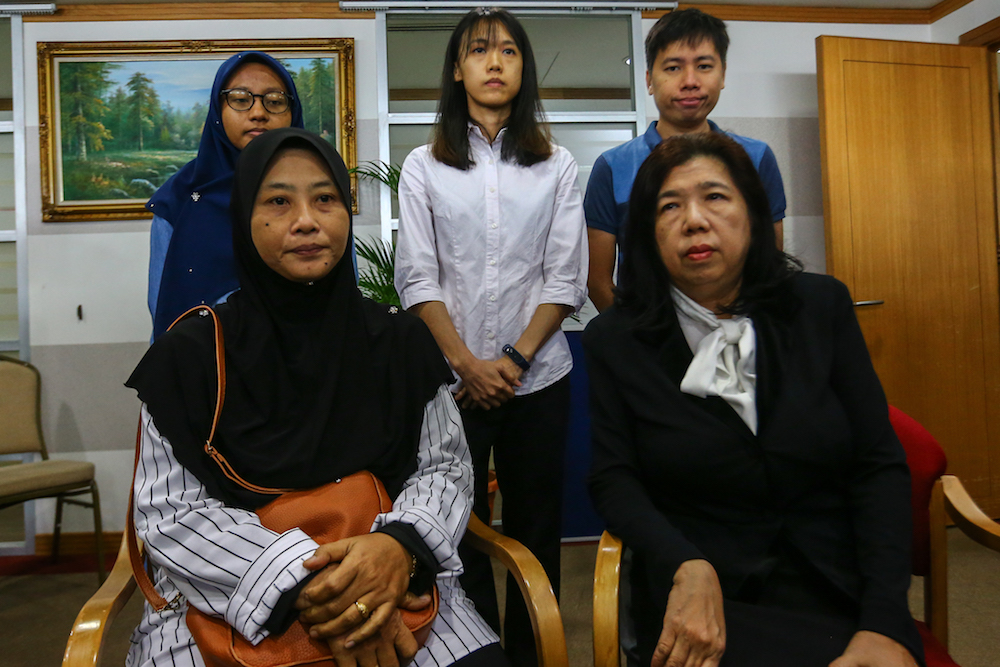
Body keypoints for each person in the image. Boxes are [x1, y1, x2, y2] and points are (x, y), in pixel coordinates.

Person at [126, 127, 508, 667]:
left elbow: (443, 468)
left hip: (396, 584)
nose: (306, 220)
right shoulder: (189, 355)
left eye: (325, 199)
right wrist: (318, 585)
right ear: (243, 219)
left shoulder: (398, 340)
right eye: (278, 201)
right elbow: (172, 513)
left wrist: (397, 551)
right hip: (226, 602)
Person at [584, 132, 923, 667]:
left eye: (715, 197)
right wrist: (685, 564)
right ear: (647, 234)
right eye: (669, 206)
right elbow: (613, 477)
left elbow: (877, 464)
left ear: (754, 213)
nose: (694, 220)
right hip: (707, 596)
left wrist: (885, 619)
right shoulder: (616, 340)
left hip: (840, 586)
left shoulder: (820, 307)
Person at [394, 8, 588, 666]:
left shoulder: (557, 164)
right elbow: (418, 276)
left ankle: (535, 655)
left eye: (508, 50)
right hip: (453, 383)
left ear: (523, 68)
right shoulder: (424, 164)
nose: (496, 61)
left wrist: (511, 359)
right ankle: (476, 655)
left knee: (537, 531)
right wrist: (466, 363)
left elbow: (565, 276)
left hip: (541, 377)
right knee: (460, 535)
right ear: (457, 68)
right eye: (480, 50)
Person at [584, 8, 786, 313]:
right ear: (650, 80)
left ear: (722, 75)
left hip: (740, 338)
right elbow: (598, 280)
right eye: (674, 68)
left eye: (704, 66)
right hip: (648, 343)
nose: (690, 81)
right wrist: (634, 344)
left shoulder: (755, 159)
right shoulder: (612, 167)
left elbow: (770, 263)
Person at [147, 51, 310, 340]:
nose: (259, 113)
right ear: (217, 110)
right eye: (239, 98)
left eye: (274, 101)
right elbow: (162, 303)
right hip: (207, 366)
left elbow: (343, 286)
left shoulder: (318, 190)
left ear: (292, 113)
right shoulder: (180, 199)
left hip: (309, 361)